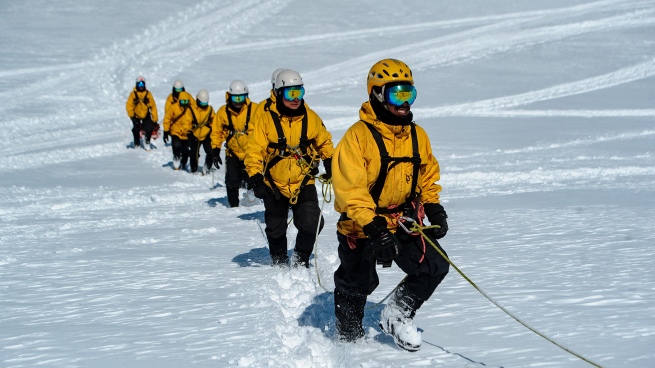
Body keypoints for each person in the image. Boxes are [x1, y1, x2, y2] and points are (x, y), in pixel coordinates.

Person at [331, 59, 450, 352]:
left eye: (409, 94)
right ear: (377, 95)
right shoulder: (357, 137)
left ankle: (396, 314)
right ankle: (348, 337)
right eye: (397, 94)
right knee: (357, 283)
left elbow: (427, 175)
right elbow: (351, 189)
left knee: (434, 265)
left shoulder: (417, 135)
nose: (404, 102)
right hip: (362, 225)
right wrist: (373, 228)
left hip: (403, 220)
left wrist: (433, 206)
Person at [245, 69, 334, 267]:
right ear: (277, 93)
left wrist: (330, 161)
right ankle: (279, 262)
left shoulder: (311, 118)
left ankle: (300, 259)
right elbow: (254, 151)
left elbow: (324, 142)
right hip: (273, 183)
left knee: (313, 223)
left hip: (303, 181)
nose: (295, 99)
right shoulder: (265, 121)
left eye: (299, 93)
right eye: (289, 93)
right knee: (275, 228)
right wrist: (255, 177)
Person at [211, 80, 259, 207]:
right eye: (235, 97)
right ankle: (233, 206)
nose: (238, 101)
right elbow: (216, 132)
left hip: (251, 153)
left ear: (246, 96)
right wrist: (215, 150)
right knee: (232, 181)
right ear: (229, 96)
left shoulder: (256, 109)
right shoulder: (223, 112)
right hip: (232, 153)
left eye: (241, 97)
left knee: (254, 179)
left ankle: (254, 204)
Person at [163, 90, 195, 170]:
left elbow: (196, 119)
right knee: (176, 145)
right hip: (175, 131)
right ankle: (176, 158)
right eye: (183, 101)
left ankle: (183, 163)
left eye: (186, 101)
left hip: (186, 133)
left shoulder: (191, 110)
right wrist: (166, 131)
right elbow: (167, 119)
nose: (184, 103)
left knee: (186, 151)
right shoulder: (173, 107)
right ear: (179, 100)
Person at [125, 76, 159, 150]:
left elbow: (153, 106)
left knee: (149, 128)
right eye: (139, 85)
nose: (141, 86)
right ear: (136, 85)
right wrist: (132, 116)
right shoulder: (133, 94)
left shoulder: (148, 94)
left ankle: (147, 142)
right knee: (136, 129)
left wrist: (155, 118)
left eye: (142, 84)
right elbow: (129, 105)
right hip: (136, 115)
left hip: (146, 114)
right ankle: (136, 143)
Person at [189, 89, 214, 174]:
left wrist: (211, 129)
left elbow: (214, 121)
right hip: (195, 134)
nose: (203, 106)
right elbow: (187, 121)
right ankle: (193, 169)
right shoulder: (191, 109)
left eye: (205, 103)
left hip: (206, 134)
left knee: (210, 152)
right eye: (201, 103)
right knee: (194, 153)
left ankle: (207, 167)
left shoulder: (210, 110)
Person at [162, 80, 185, 145]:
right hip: (175, 126)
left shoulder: (186, 98)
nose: (178, 93)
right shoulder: (170, 99)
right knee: (176, 145)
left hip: (185, 125)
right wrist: (166, 130)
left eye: (180, 90)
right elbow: (168, 115)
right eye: (177, 90)